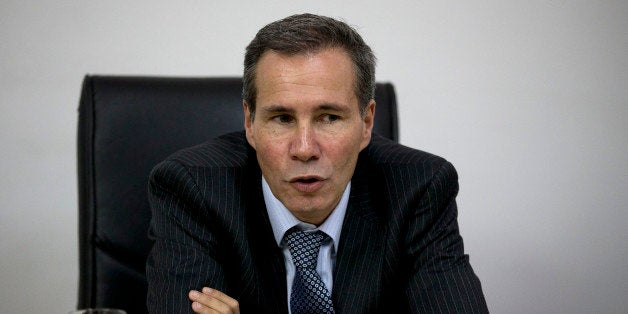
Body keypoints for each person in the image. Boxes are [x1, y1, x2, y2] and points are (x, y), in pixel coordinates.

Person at [146, 13, 488, 313]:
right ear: (250, 123)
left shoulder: (418, 188)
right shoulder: (193, 190)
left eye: (329, 117)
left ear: (366, 123)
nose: (305, 149)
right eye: (281, 118)